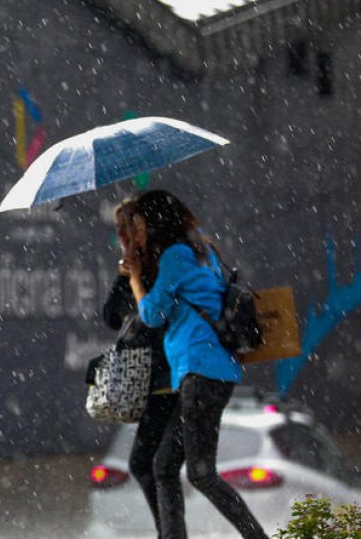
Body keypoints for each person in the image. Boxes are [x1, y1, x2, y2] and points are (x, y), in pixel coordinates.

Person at [126, 190, 268, 539]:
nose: (139, 234)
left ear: (156, 224)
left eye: (141, 226)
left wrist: (134, 278)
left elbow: (152, 314)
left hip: (200, 370)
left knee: (201, 473)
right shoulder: (204, 252)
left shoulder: (176, 256)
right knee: (164, 465)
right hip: (214, 370)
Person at [101, 200, 178, 538]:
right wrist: (125, 278)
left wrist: (137, 278)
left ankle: (169, 532)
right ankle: (168, 531)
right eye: (119, 228)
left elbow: (155, 316)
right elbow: (110, 317)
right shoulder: (134, 266)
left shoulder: (169, 261)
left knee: (158, 465)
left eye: (130, 227)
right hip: (150, 382)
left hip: (172, 378)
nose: (124, 235)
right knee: (147, 465)